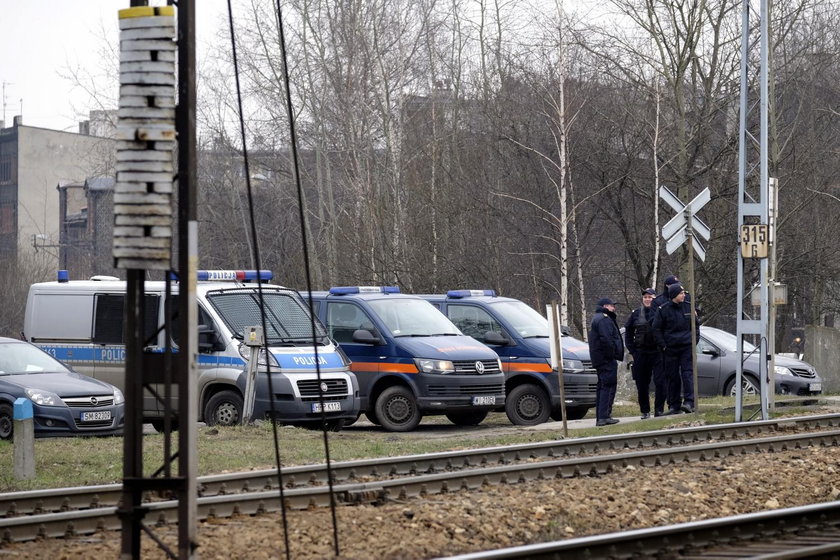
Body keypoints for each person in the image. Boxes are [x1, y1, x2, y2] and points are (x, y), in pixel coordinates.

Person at [652, 283, 699, 414]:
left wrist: (693, 342)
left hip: (686, 347)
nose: (684, 295)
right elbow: (656, 329)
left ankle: (689, 402)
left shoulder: (689, 307)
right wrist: (664, 345)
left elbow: (696, 326)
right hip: (670, 348)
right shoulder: (663, 310)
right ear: (674, 295)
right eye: (681, 293)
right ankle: (674, 405)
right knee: (672, 377)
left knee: (687, 374)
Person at [624, 288, 664, 418]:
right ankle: (645, 411)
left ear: (655, 298)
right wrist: (633, 351)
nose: (647, 299)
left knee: (660, 382)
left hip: (657, 352)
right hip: (641, 353)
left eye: (650, 297)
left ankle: (659, 410)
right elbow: (628, 332)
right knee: (641, 383)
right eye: (645, 297)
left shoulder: (660, 311)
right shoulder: (636, 314)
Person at [588, 297, 624, 426]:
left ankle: (601, 416)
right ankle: (604, 416)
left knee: (602, 386)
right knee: (608, 386)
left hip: (600, 359)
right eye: (611, 305)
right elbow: (607, 340)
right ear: (605, 306)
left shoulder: (597, 318)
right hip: (606, 359)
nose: (613, 308)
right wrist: (611, 355)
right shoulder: (604, 319)